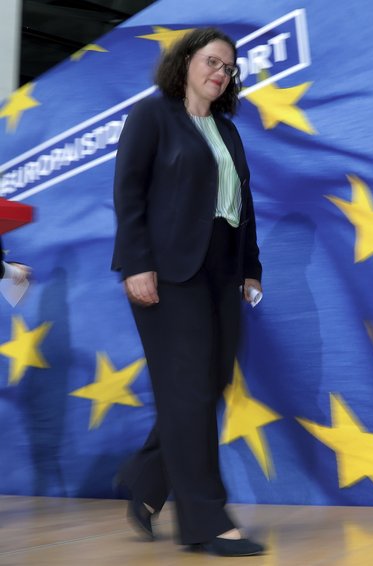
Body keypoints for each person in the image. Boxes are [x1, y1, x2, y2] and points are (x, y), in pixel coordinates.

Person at [111, 28, 264, 557]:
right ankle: (205, 521)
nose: (220, 73)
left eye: (228, 68)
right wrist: (136, 263)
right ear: (186, 62)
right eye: (212, 61)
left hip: (221, 269)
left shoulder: (227, 131)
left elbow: (243, 206)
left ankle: (148, 478)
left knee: (212, 380)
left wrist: (251, 270)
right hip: (167, 272)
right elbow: (128, 193)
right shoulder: (152, 117)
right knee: (189, 391)